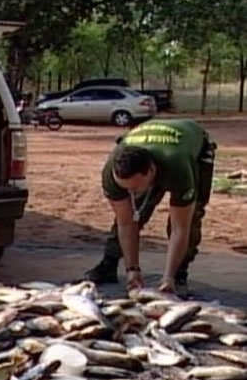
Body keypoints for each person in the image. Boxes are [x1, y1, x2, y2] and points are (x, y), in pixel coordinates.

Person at [84, 118, 216, 295]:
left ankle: (178, 274)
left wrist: (168, 277)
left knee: (190, 218)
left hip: (191, 148)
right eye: (126, 187)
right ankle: (109, 263)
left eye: (135, 187)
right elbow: (126, 223)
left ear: (152, 171)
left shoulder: (178, 167)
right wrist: (132, 269)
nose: (131, 191)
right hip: (151, 147)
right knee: (135, 210)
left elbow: (180, 229)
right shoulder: (111, 173)